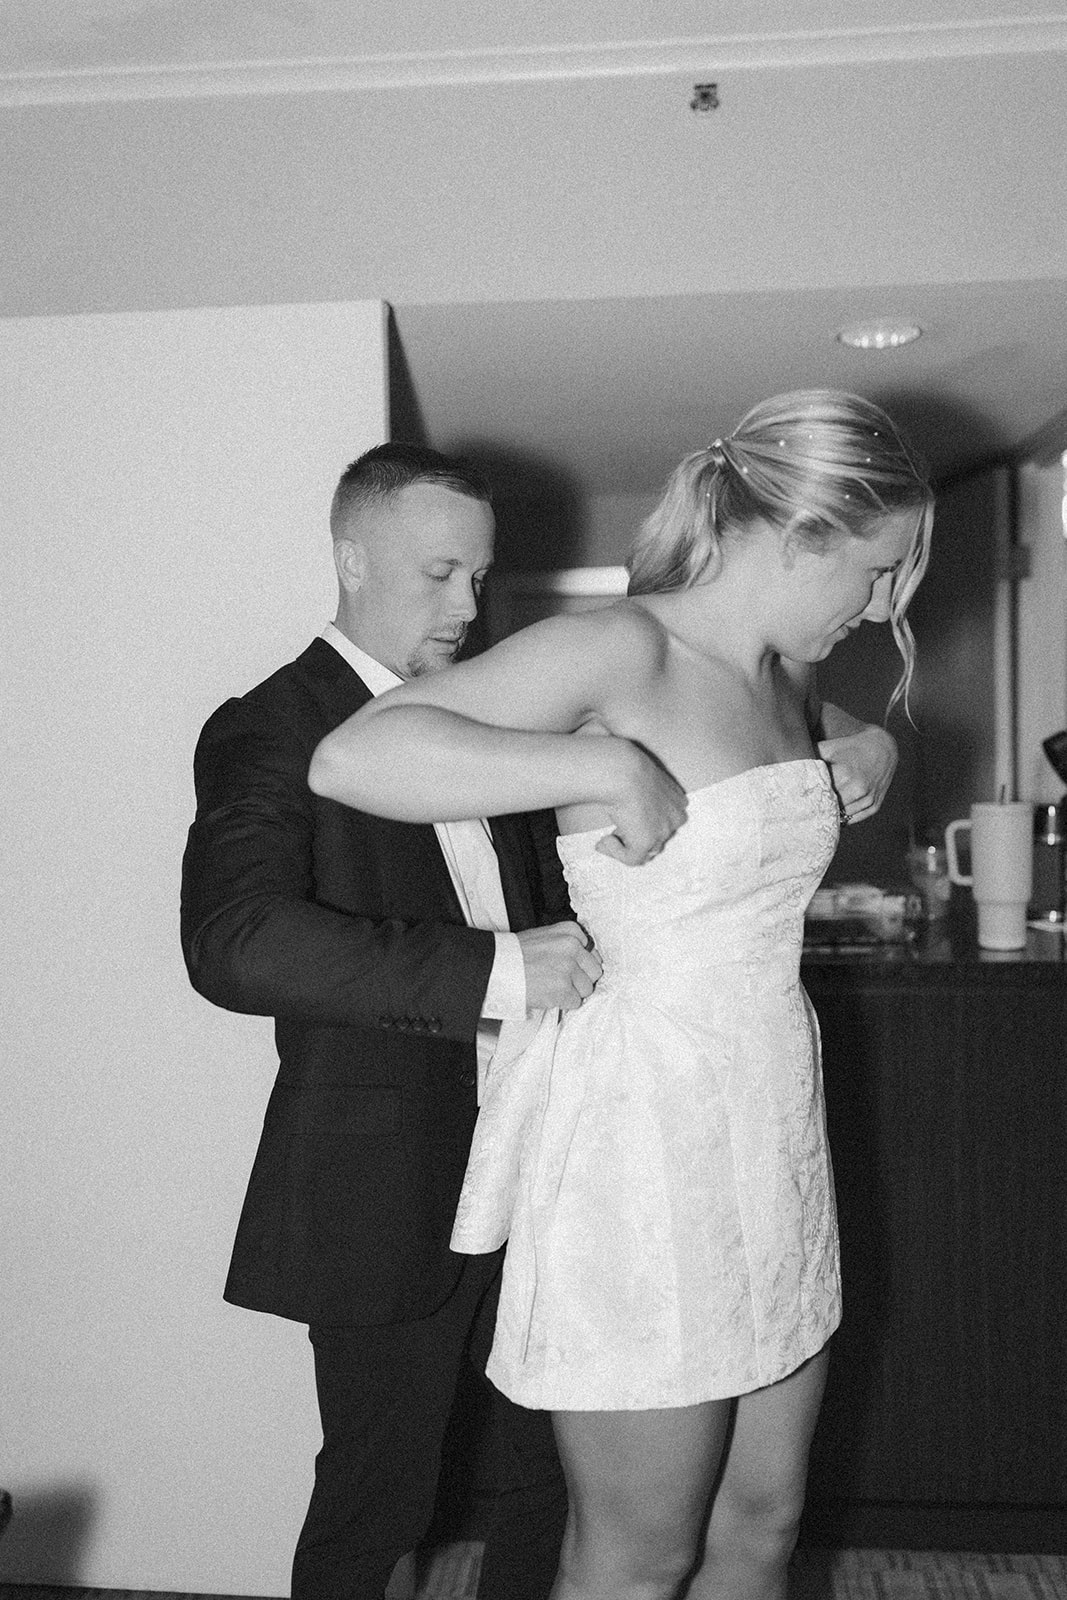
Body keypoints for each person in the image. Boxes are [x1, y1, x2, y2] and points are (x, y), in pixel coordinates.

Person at [307, 392, 934, 1600]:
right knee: (638, 1555)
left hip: (765, 1120)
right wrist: (591, 761)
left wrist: (872, 746)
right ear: (797, 533)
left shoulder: (782, 677)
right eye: (871, 569)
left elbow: (797, 742)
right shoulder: (616, 649)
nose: (880, 603)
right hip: (642, 1138)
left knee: (762, 1520)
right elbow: (356, 755)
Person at [181, 443, 600, 1600]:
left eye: (479, 575)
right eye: (440, 573)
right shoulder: (269, 723)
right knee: (378, 1499)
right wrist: (496, 970)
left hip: (532, 1167)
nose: (468, 606)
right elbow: (235, 940)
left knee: (544, 1482)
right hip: (378, 1184)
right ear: (351, 557)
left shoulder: (483, 712)